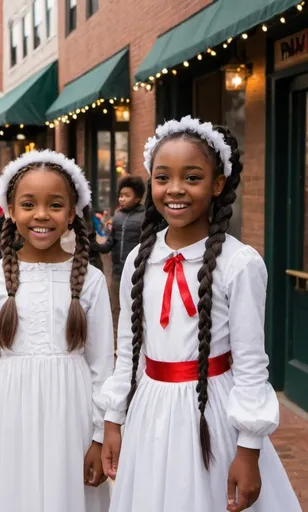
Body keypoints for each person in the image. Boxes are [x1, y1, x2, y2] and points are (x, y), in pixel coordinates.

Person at [101, 117, 301, 512]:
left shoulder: (239, 263)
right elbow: (127, 349)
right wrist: (112, 418)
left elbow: (250, 364)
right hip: (149, 413)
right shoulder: (141, 259)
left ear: (217, 184)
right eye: (163, 177)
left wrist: (249, 448)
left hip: (212, 416)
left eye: (191, 177)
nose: (175, 189)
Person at [0, 150, 114, 512]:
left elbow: (102, 367)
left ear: (71, 214)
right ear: (11, 210)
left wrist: (98, 435)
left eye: (55, 204)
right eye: (29, 204)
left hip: (72, 415)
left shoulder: (91, 281)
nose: (42, 215)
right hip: (8, 412)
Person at [97, 176, 145, 345]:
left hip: (139, 273)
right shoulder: (117, 217)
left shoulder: (145, 217)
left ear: (138, 198)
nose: (121, 199)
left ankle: (139, 343)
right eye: (120, 195)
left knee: (137, 308)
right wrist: (94, 246)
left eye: (127, 195)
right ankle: (117, 344)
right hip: (118, 273)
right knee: (116, 309)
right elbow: (110, 243)